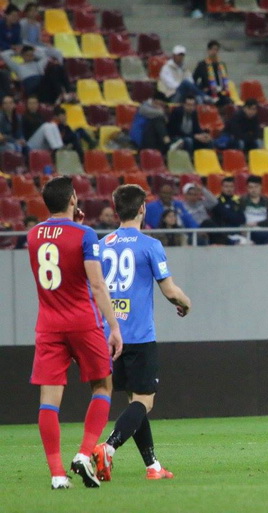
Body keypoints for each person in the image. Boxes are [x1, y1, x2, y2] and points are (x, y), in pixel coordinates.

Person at [26, 176, 123, 489]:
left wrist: (71, 225)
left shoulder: (32, 235)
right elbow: (96, 284)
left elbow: (57, 243)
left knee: (49, 401)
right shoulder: (86, 233)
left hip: (48, 324)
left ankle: (56, 474)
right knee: (103, 386)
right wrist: (114, 326)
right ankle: (83, 454)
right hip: (83, 321)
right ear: (72, 200)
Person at [91, 184, 190, 483]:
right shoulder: (149, 245)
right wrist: (186, 303)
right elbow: (169, 290)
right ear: (143, 208)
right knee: (145, 402)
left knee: (134, 400)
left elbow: (93, 289)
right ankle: (108, 448)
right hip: (139, 335)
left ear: (117, 209)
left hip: (110, 334)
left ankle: (153, 466)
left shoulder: (101, 244)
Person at [193, 40, 231, 107]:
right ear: (208, 50)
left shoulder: (222, 65)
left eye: (216, 50)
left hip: (220, 92)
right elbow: (194, 80)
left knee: (229, 102)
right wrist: (202, 89)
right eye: (213, 49)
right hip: (208, 93)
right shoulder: (202, 65)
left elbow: (225, 80)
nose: (214, 52)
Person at [242, 175, 268, 245]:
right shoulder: (242, 201)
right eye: (250, 187)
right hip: (249, 230)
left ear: (261, 187)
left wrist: (256, 223)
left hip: (264, 229)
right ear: (247, 188)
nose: (253, 190)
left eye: (256, 187)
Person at [211, 176, 245, 245]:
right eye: (226, 186)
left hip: (237, 233)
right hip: (222, 233)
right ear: (222, 187)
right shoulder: (216, 201)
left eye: (231, 187)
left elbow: (242, 219)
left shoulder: (239, 200)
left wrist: (229, 216)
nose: (229, 189)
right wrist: (232, 216)